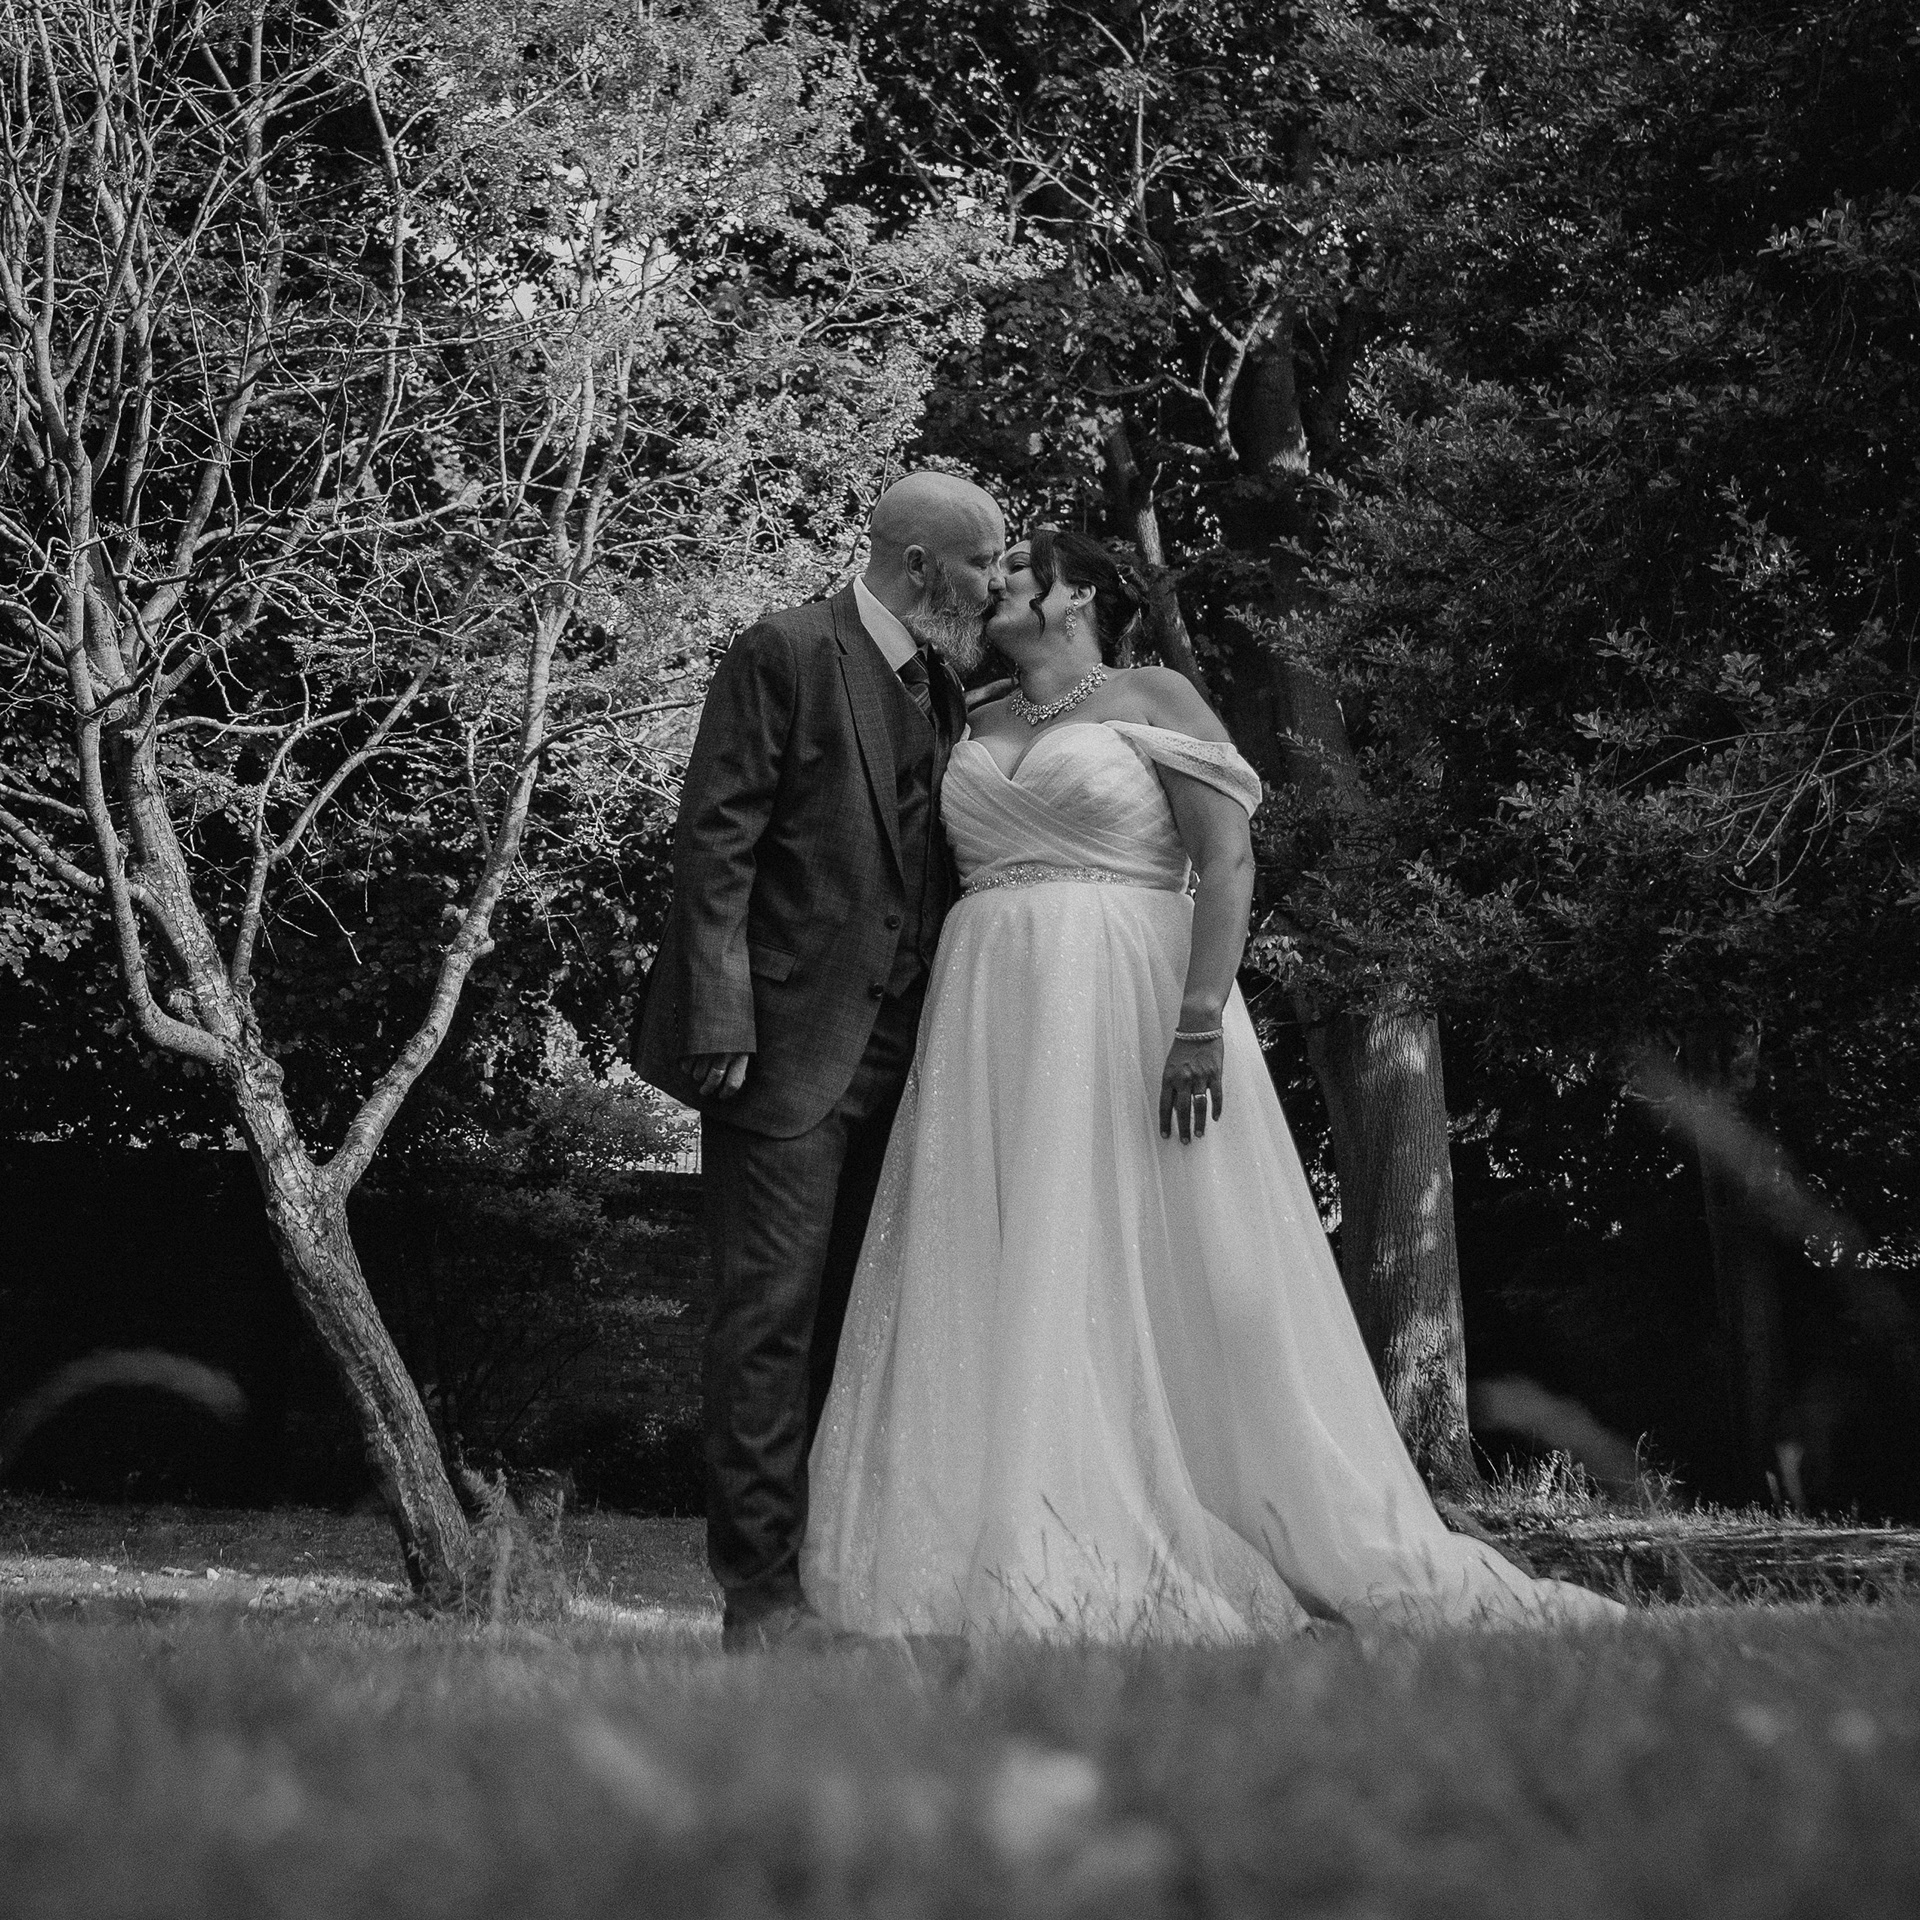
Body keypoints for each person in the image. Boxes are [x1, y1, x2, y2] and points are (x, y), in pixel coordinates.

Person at [802, 529, 1625, 1638]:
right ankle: (997, 1516)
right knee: (1000, 1242)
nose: (995, 582)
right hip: (989, 1005)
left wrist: (1198, 1021)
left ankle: (1221, 1503)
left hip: (1129, 995)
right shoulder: (972, 713)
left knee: (1151, 1239)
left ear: (1078, 595)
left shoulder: (1158, 695)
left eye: (1018, 567)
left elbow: (1227, 860)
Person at [634, 472, 1008, 1652]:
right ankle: (760, 1604)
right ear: (921, 566)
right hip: (783, 1057)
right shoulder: (788, 650)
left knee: (858, 1327)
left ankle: (840, 1583)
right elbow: (718, 839)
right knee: (768, 1328)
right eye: (986, 562)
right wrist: (719, 1016)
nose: (998, 585)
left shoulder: (946, 686)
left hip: (910, 1061)